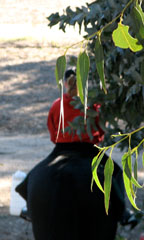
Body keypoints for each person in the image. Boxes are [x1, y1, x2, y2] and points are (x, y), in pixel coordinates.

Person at [47, 68, 104, 145]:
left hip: (63, 145)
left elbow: (52, 129)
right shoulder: (92, 104)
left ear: (65, 83)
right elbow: (101, 127)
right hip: (88, 145)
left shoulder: (57, 105)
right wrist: (97, 140)